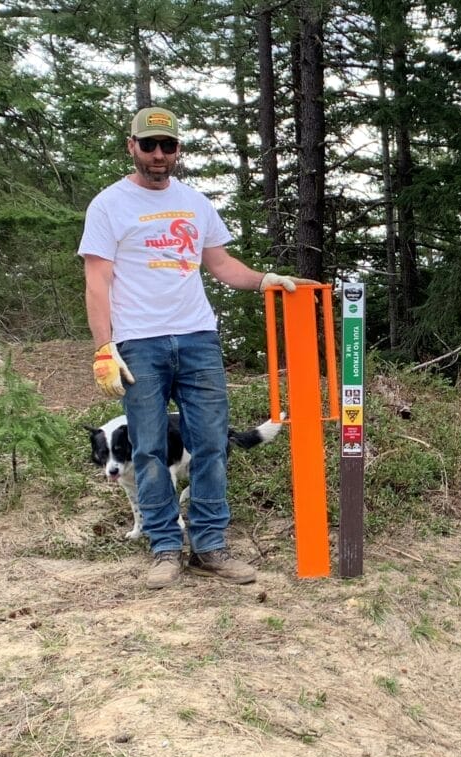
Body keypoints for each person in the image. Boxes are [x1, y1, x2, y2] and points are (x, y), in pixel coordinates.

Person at [80, 106, 317, 590]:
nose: (159, 155)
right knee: (147, 449)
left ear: (177, 150)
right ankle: (165, 549)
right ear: (132, 147)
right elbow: (97, 278)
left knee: (210, 445)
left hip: (198, 338)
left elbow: (221, 264)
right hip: (139, 343)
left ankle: (210, 546)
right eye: (149, 145)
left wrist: (266, 279)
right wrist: (104, 346)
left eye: (168, 146)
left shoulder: (195, 202)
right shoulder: (108, 205)